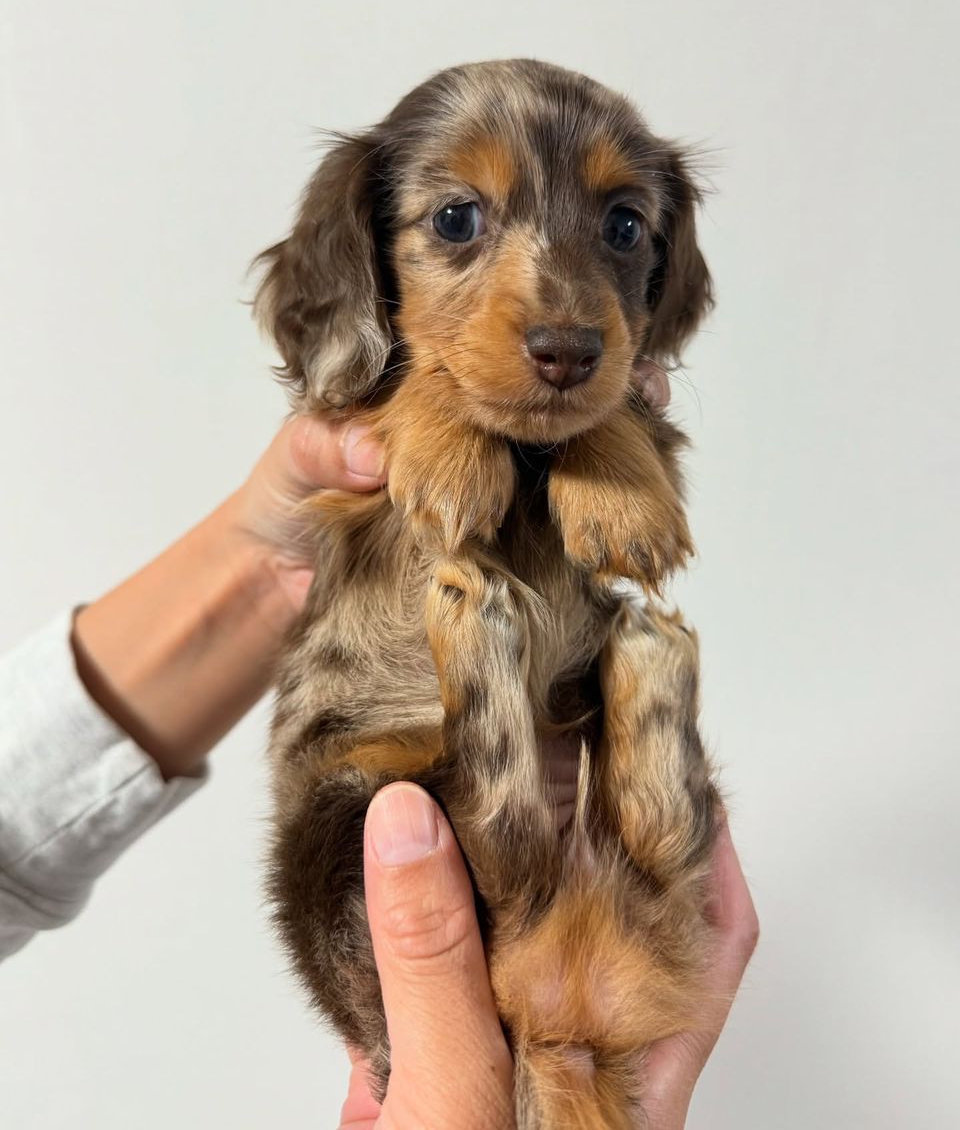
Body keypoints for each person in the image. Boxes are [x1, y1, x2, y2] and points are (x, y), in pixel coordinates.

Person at [0, 363, 758, 1129]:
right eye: (456, 230)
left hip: (521, 885)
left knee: (357, 846)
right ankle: (619, 814)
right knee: (615, 892)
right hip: (609, 938)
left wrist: (276, 568)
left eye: (625, 233)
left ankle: (571, 798)